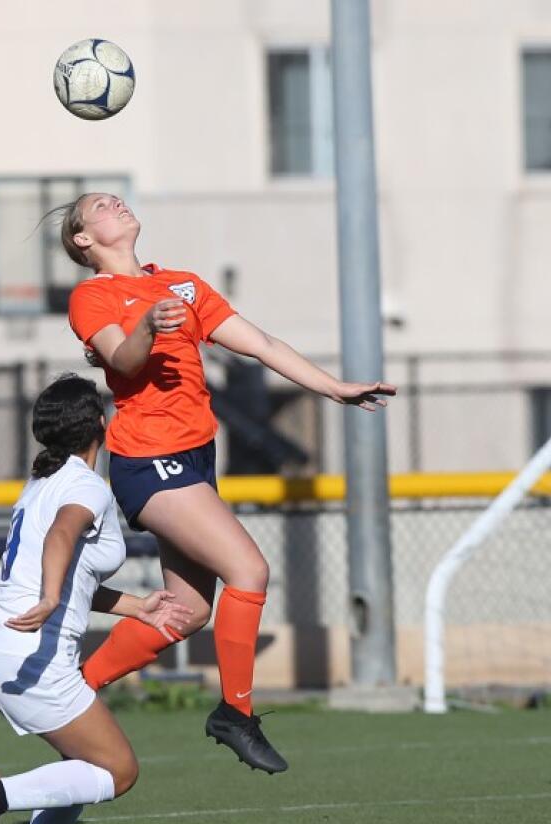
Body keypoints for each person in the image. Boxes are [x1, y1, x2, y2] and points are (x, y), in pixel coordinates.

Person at [53, 192, 395, 774]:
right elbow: (123, 359)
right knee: (250, 571)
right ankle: (235, 713)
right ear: (83, 240)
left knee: (184, 614)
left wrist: (331, 387)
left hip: (195, 456)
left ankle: (72, 688)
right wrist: (145, 327)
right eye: (100, 207)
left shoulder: (182, 284)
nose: (116, 203)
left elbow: (260, 344)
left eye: (116, 198)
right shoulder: (93, 295)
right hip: (150, 458)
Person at [0, 373, 196, 824]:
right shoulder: (84, 486)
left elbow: (74, 577)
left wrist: (136, 607)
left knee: (83, 762)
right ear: (101, 425)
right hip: (27, 650)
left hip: (0, 644)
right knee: (118, 771)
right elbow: (62, 536)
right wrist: (47, 598)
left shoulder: (42, 482)